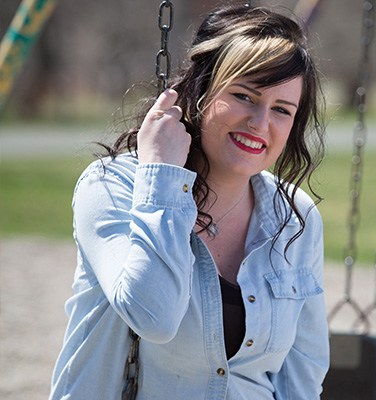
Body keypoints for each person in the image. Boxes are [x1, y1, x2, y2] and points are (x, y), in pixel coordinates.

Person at [50, 4, 329, 399]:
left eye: (282, 110)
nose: (260, 122)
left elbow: (302, 373)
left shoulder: (296, 218)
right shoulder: (113, 187)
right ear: (200, 91)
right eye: (244, 96)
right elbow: (155, 319)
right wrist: (163, 179)